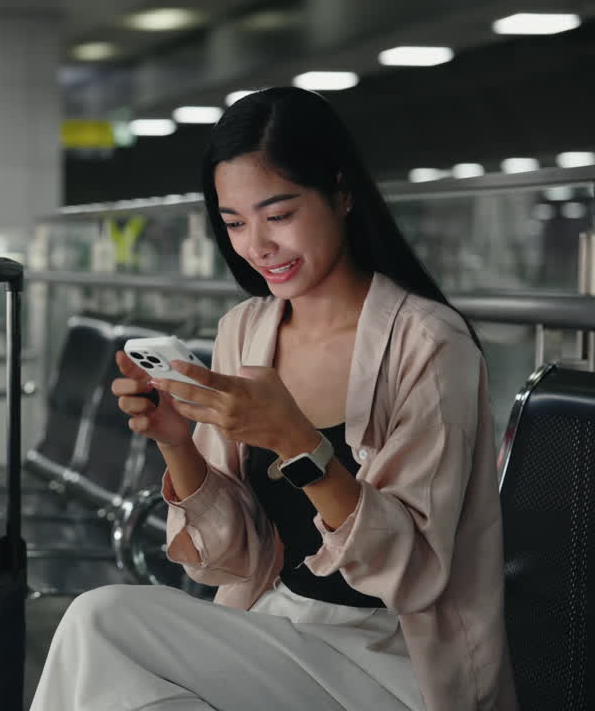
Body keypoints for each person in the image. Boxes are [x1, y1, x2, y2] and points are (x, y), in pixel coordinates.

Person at [30, 87, 515, 711]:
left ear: (341, 193)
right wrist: (179, 445)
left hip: (395, 660)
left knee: (102, 623)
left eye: (278, 214)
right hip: (279, 628)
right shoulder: (246, 330)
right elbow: (228, 560)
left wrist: (298, 444)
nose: (257, 245)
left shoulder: (427, 344)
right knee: (128, 684)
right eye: (234, 223)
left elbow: (412, 573)